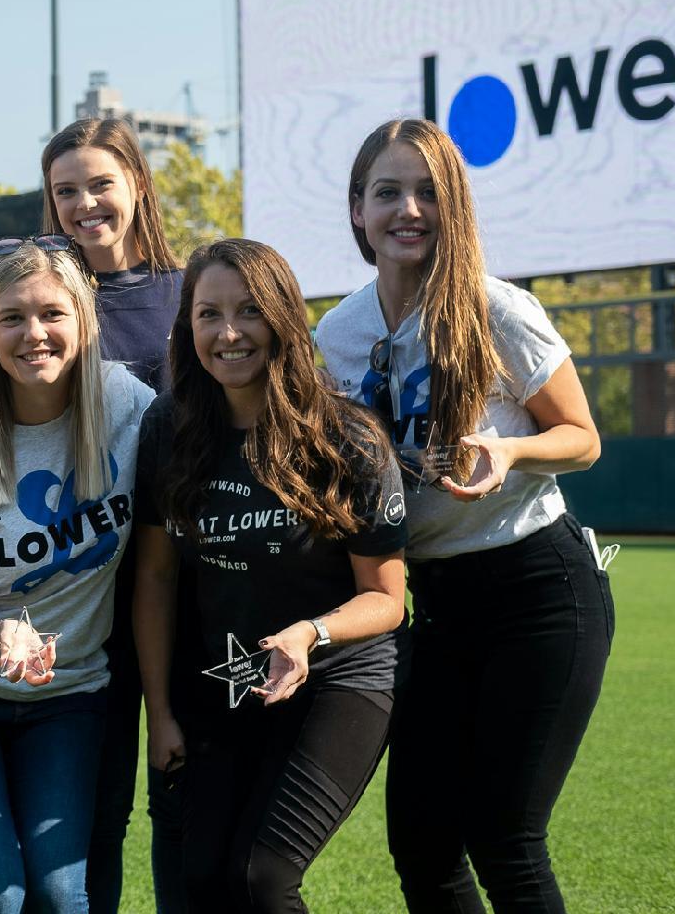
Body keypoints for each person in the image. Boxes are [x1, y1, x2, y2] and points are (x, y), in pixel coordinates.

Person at [315, 119, 608, 914]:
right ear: (356, 211)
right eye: (387, 193)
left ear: (456, 207)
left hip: (536, 591)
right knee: (422, 845)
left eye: (428, 193)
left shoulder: (496, 309)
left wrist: (510, 454)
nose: (407, 209)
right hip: (431, 608)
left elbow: (583, 440)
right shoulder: (332, 337)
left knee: (506, 838)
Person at [134, 238, 408, 912]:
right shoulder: (169, 426)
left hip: (339, 680)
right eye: (208, 314)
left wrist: (310, 635)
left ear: (284, 317)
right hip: (229, 682)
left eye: (250, 310)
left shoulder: (348, 437)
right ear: (187, 326)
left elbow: (386, 598)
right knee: (203, 882)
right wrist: (161, 716)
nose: (229, 333)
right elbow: (156, 581)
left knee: (261, 880)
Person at [0, 241, 155, 913]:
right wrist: (0, 633)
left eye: (51, 313)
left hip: (70, 695)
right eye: (11, 318)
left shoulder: (126, 402)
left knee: (58, 893)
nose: (33, 333)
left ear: (83, 320)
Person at [40, 118, 184, 913]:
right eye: (66, 190)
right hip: (69, 586)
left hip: (175, 586)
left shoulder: (187, 292)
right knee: (94, 818)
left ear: (135, 183)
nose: (85, 203)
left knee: (179, 798)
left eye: (100, 184)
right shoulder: (36, 296)